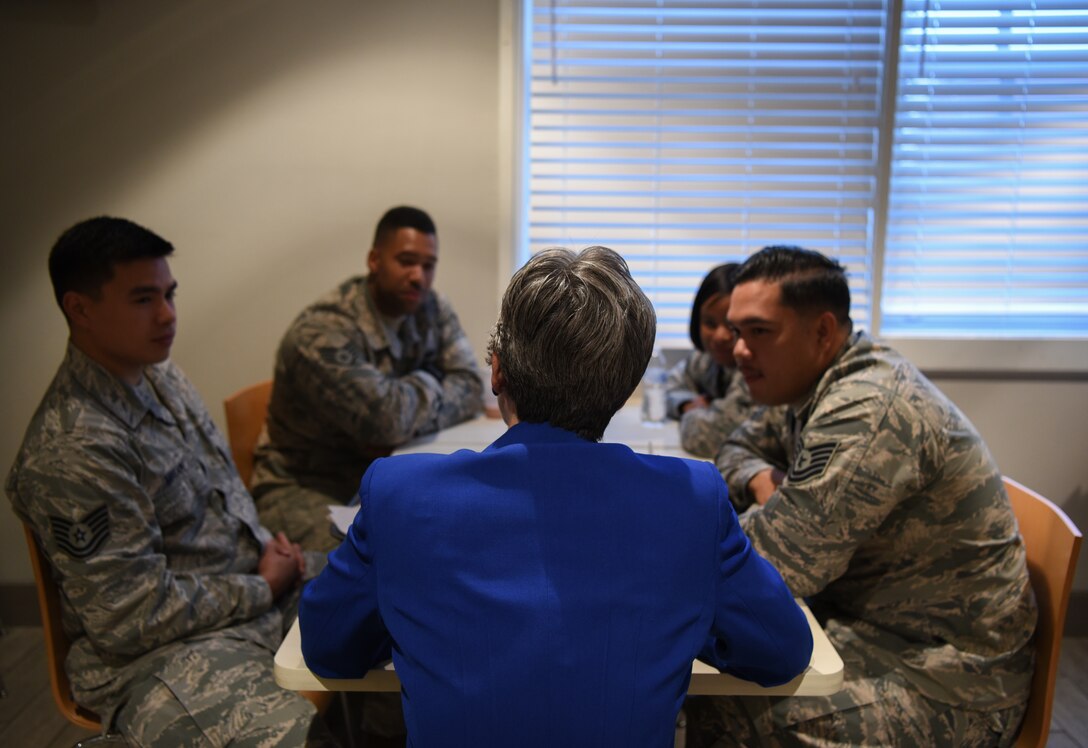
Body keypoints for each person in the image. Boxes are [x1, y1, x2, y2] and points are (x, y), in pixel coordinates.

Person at [298, 245, 813, 748]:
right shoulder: (690, 501)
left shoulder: (399, 495)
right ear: (623, 384)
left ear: (497, 370)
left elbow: (328, 648)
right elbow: (780, 650)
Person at [685, 246, 1037, 747]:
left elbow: (776, 564)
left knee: (716, 712)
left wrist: (657, 552)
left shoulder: (867, 409)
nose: (738, 349)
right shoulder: (809, 381)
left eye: (758, 332)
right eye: (737, 332)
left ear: (823, 332)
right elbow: (734, 444)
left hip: (951, 679)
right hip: (869, 626)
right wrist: (761, 477)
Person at [6, 217, 338, 746]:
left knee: (407, 596)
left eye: (169, 294)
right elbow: (130, 617)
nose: (167, 315)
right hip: (165, 654)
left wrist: (266, 557)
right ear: (81, 309)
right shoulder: (75, 448)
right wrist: (262, 585)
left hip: (249, 597)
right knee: (294, 740)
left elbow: (220, 499)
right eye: (143, 299)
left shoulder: (159, 374)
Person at [251, 206, 483, 553]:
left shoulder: (431, 307)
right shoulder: (323, 332)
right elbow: (388, 421)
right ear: (374, 260)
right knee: (372, 564)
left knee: (455, 534)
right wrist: (432, 380)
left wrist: (404, 411)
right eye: (406, 261)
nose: (419, 276)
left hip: (383, 470)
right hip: (306, 486)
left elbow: (470, 385)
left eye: (429, 265)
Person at [665, 262, 771, 458]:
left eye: (732, 326)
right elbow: (672, 384)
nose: (720, 336)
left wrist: (692, 416)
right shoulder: (707, 359)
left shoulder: (757, 368)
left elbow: (703, 437)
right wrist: (687, 404)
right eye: (710, 323)